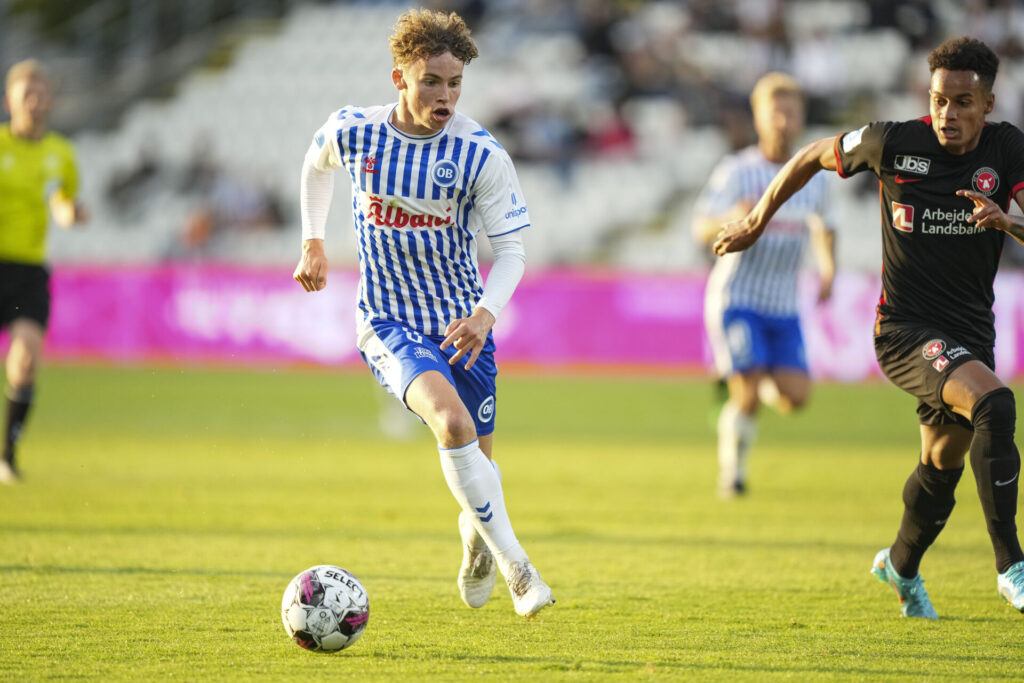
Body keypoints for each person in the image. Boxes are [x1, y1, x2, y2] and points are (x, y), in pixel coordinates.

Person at [714, 36, 1024, 618]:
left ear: (987, 103)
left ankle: (900, 567)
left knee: (941, 463)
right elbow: (811, 155)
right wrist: (757, 221)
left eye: (962, 102)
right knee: (996, 405)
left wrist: (1009, 223)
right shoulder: (892, 142)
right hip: (905, 331)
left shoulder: (1008, 150)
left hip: (969, 334)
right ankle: (1012, 566)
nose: (947, 114)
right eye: (938, 100)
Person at [292, 8, 554, 617]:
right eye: (431, 81)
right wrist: (312, 239)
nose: (445, 95)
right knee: (453, 427)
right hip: (387, 320)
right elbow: (315, 165)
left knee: (479, 468)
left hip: (463, 325)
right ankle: (520, 569)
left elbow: (512, 251)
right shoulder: (354, 131)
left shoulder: (480, 154)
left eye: (455, 82)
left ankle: (476, 540)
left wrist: (486, 314)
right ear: (399, 79)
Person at [693, 72, 836, 499]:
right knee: (749, 394)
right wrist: (729, 220)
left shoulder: (816, 176)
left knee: (795, 397)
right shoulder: (738, 171)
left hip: (783, 303)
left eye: (791, 112)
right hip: (737, 297)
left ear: (801, 118)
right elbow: (700, 225)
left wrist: (828, 270)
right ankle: (732, 476)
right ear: (758, 118)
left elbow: (825, 229)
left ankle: (747, 373)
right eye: (775, 112)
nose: (783, 121)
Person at [0, 59, 87, 484]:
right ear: (9, 101)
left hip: (29, 270)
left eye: (39, 95)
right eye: (25, 95)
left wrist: (71, 213)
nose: (33, 103)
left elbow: (65, 202)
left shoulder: (60, 154)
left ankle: (7, 456)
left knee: (25, 360)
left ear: (49, 101)